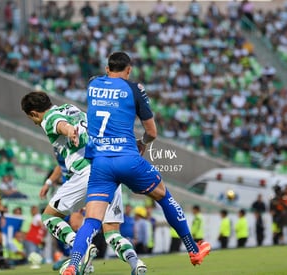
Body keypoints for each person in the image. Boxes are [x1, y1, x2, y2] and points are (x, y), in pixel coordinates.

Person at [62, 52, 211, 275]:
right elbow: (152, 132)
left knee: (92, 220)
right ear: (129, 70)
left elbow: (103, 85)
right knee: (164, 196)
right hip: (128, 159)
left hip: (100, 163)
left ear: (106, 68)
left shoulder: (93, 85)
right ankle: (193, 249)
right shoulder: (134, 89)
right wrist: (142, 142)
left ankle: (73, 264)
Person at [21, 91, 146, 275]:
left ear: (33, 113)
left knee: (49, 216)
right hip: (110, 169)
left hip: (88, 173)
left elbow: (60, 125)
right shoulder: (71, 108)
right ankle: (136, 263)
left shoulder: (48, 118)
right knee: (112, 232)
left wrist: (69, 131)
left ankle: (80, 245)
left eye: (31, 117)